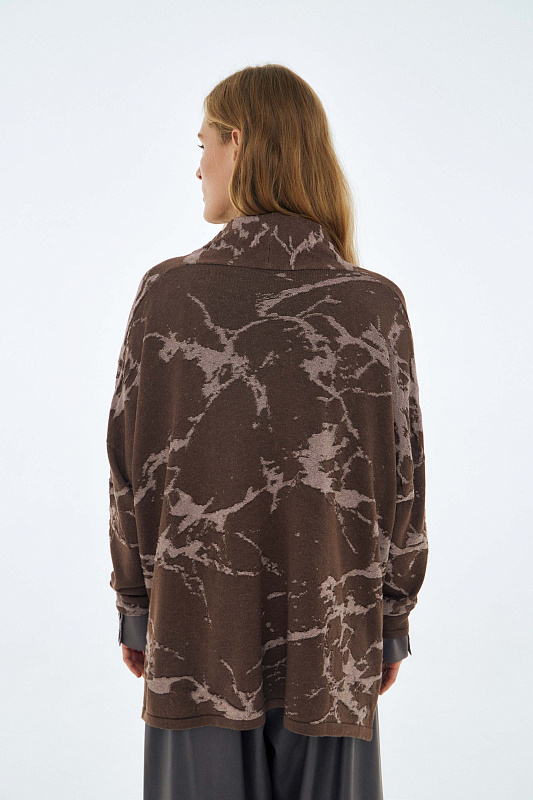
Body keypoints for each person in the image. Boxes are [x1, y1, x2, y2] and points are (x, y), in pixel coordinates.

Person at [107, 63, 428, 800]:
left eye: (203, 145)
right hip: (332, 644)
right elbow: (403, 484)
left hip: (195, 638)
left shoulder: (168, 296)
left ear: (239, 141)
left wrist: (137, 610)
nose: (198, 168)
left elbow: (130, 472)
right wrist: (389, 621)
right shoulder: (373, 306)